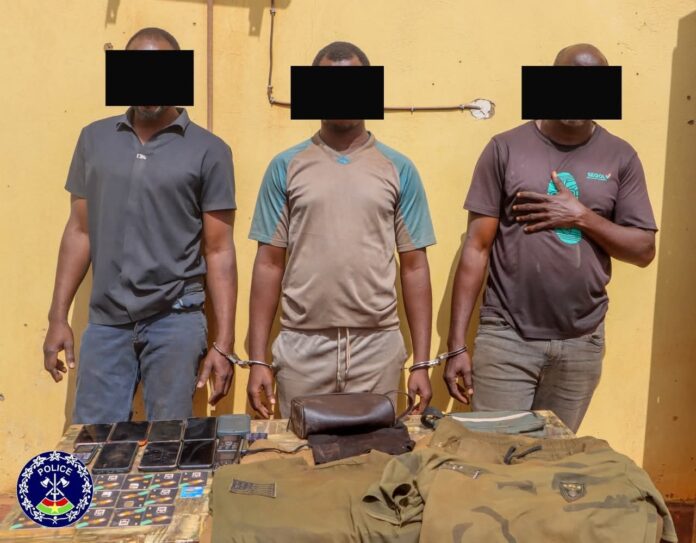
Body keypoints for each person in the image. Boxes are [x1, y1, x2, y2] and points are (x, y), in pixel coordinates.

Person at [445, 44, 657, 432]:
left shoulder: (620, 157)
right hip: (507, 337)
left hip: (582, 342)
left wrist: (582, 217)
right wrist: (456, 344)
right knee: (491, 457)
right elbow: (477, 247)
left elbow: (644, 250)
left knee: (555, 459)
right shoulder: (506, 148)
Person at [43, 27, 238, 423]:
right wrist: (57, 318)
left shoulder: (209, 150)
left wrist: (224, 343)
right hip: (107, 323)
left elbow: (219, 250)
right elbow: (79, 231)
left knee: (169, 446)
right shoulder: (94, 139)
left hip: (176, 318)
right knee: (94, 444)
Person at [246, 41, 436, 418]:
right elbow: (268, 263)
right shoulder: (285, 166)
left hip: (376, 347)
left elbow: (415, 267)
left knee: (377, 451)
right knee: (300, 451)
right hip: (302, 348)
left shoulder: (399, 168)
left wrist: (421, 362)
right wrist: (258, 359)